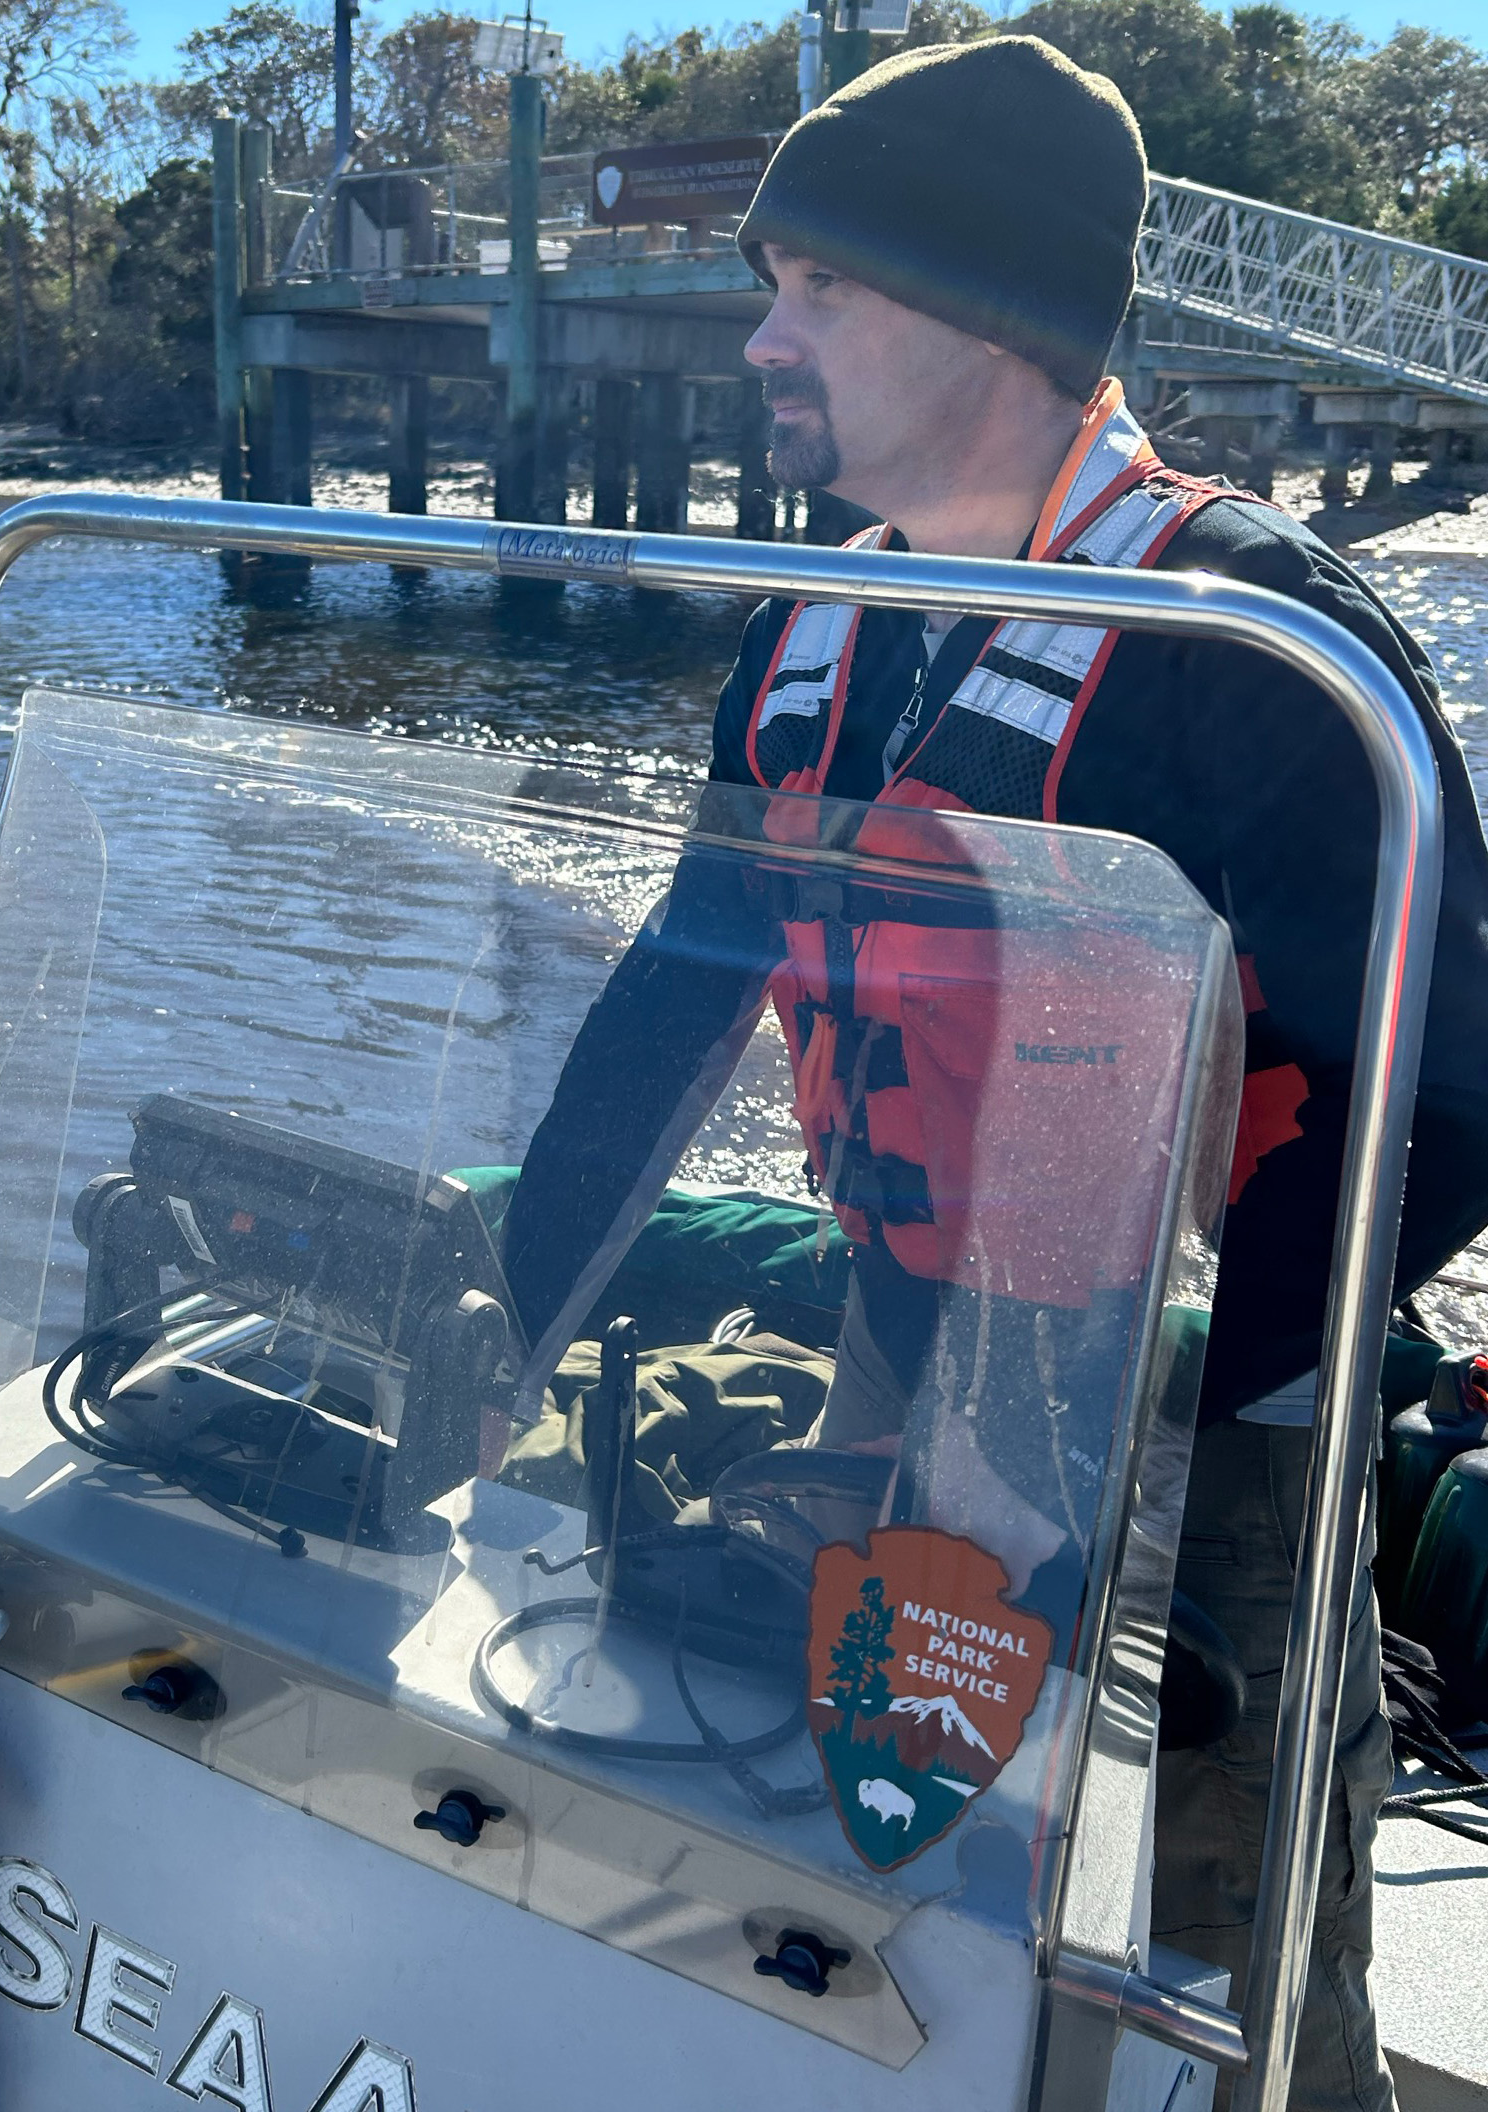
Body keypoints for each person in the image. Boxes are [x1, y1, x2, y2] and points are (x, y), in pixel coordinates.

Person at [493, 38, 1488, 2108]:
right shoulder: (811, 626)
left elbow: (1452, 1108)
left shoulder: (1263, 655)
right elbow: (673, 1000)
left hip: (1217, 1419)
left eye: (817, 289)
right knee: (899, 1899)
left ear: (995, 319)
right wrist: (505, 1325)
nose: (761, 335)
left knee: (1233, 1954)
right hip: (900, 1347)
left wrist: (1113, 1430)